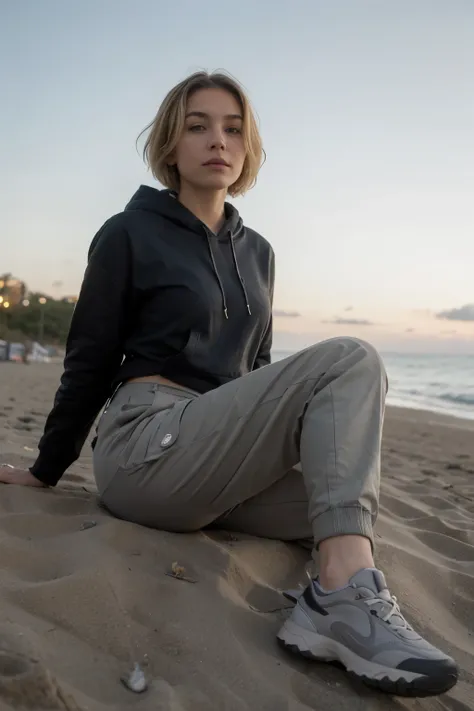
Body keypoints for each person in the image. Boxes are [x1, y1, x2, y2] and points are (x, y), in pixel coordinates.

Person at [0, 71, 458, 697]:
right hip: (146, 445)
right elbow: (90, 358)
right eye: (198, 126)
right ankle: (344, 597)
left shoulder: (260, 253)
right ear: (170, 146)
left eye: (233, 128)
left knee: (343, 499)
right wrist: (47, 470)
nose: (218, 140)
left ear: (248, 148)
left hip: (215, 455)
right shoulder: (128, 232)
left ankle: (343, 589)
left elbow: (257, 370)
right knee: (353, 358)